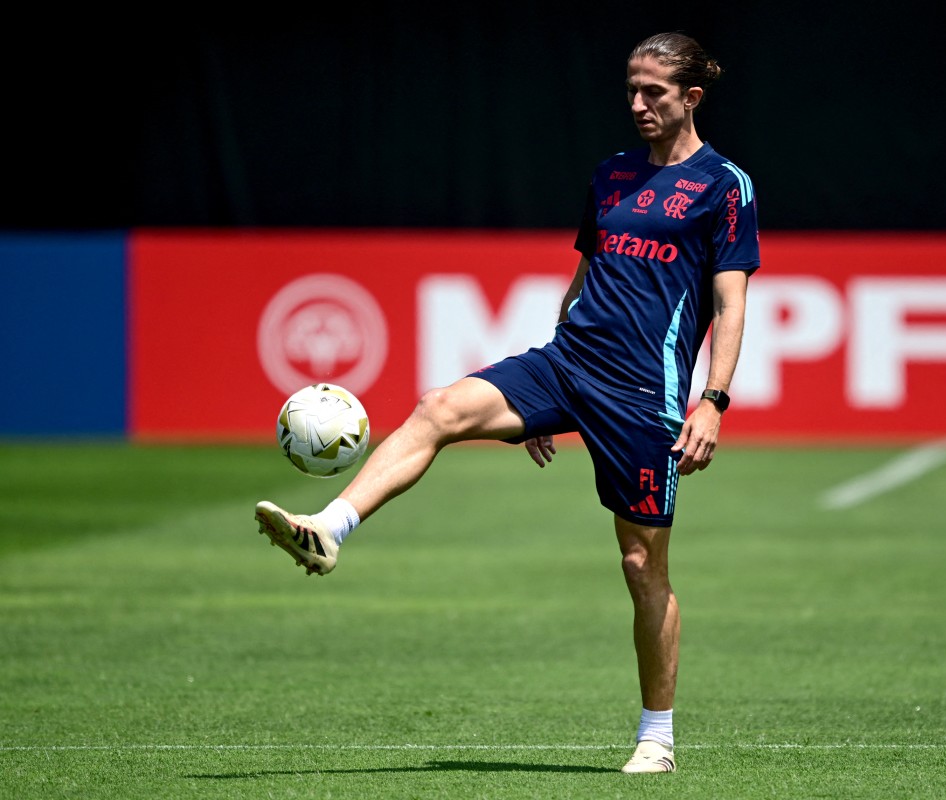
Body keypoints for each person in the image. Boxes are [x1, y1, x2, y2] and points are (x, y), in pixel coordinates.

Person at [255, 31, 760, 775]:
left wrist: (712, 400)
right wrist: (542, 399)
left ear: (691, 97)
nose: (637, 103)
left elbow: (731, 299)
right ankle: (329, 529)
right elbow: (588, 276)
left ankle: (658, 735)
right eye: (630, 88)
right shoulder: (612, 175)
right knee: (438, 408)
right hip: (566, 365)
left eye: (654, 91)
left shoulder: (725, 185)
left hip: (642, 397)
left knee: (640, 565)